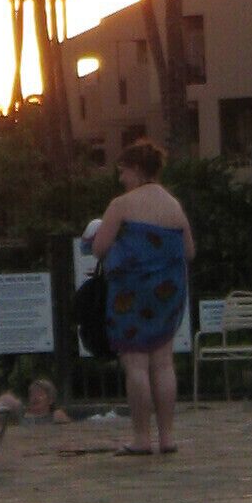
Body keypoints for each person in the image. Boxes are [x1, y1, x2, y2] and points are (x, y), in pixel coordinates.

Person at [87, 137, 193, 458]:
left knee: (135, 364)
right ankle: (168, 437)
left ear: (135, 169)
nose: (121, 179)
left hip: (131, 292)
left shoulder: (122, 205)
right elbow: (189, 250)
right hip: (168, 292)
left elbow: (99, 247)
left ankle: (141, 437)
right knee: (163, 363)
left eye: (123, 172)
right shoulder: (174, 205)